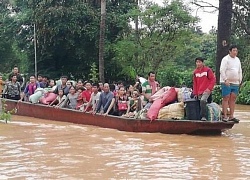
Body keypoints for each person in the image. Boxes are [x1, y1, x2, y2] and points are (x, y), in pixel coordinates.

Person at [220, 45, 242, 123]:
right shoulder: (225, 59)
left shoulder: (238, 60)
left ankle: (231, 116)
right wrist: (225, 79)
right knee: (226, 97)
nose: (235, 52)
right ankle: (225, 116)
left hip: (235, 82)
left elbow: (239, 70)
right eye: (234, 50)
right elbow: (222, 70)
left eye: (236, 51)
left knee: (233, 98)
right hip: (226, 81)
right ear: (230, 51)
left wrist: (240, 80)